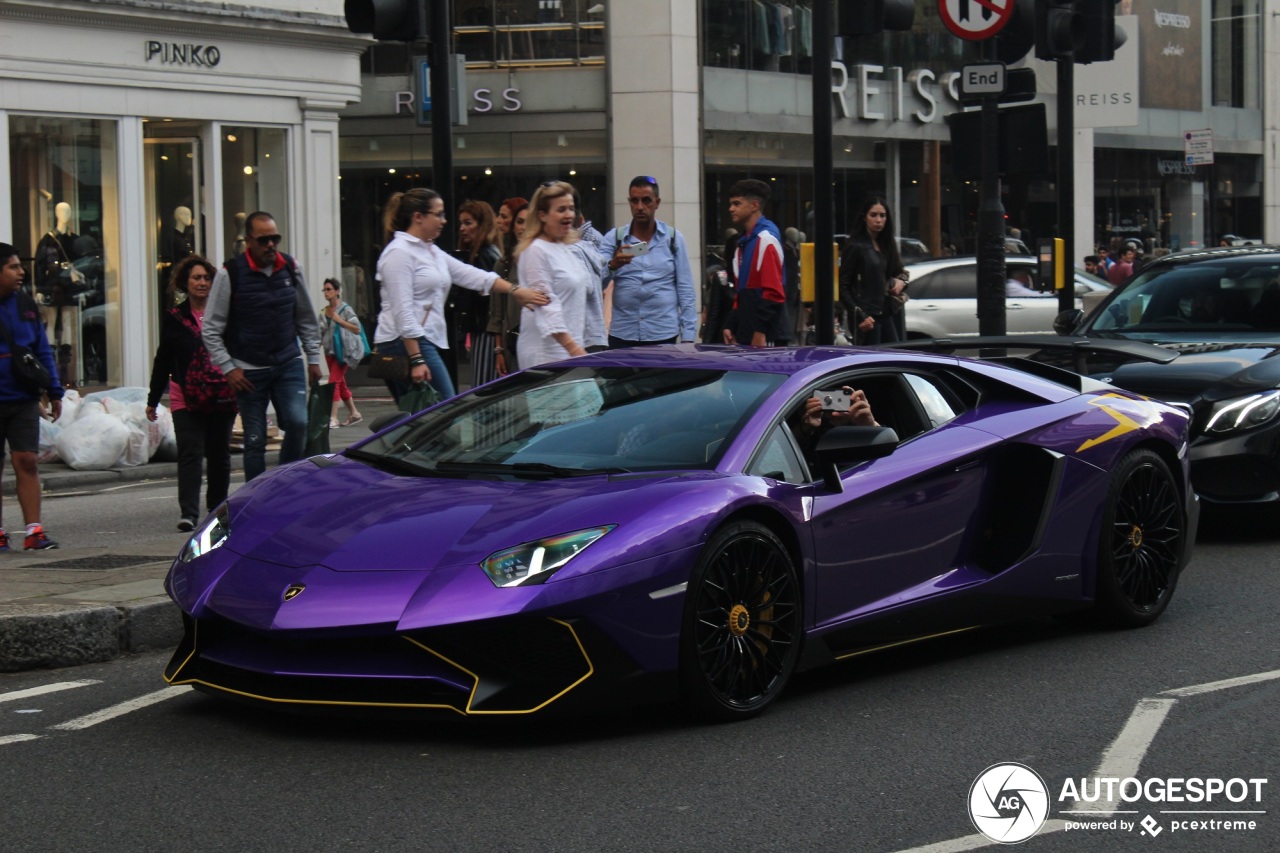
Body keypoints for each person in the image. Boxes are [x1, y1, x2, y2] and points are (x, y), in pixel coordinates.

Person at [373, 188, 546, 403]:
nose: (444, 221)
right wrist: (416, 358)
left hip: (419, 340)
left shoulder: (429, 251)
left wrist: (515, 290)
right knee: (441, 410)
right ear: (418, 217)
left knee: (421, 413)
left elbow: (471, 275)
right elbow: (402, 310)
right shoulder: (399, 253)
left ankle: (398, 436)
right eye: (438, 214)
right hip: (405, 342)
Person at [203, 211, 322, 483]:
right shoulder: (229, 274)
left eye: (275, 239)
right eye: (264, 240)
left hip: (288, 361)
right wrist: (229, 368)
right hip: (248, 371)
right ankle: (256, 499)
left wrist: (313, 358)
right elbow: (211, 327)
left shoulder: (291, 267)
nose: (271, 245)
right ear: (249, 242)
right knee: (255, 440)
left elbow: (305, 316)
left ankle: (286, 486)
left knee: (299, 422)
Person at [146, 255, 238, 532]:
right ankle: (188, 513)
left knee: (219, 454)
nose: (202, 283)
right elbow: (163, 358)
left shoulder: (225, 314)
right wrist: (152, 399)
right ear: (185, 283)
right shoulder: (174, 318)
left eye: (207, 278)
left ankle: (216, 510)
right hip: (184, 395)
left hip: (221, 394)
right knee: (190, 453)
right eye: (196, 278)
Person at [0, 243, 62, 550]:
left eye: (19, 266)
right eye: (12, 267)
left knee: (27, 460)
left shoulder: (25, 304)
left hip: (23, 397)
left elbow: (41, 349)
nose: (21, 271)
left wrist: (54, 390)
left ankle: (33, 531)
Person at [599, 176, 697, 347]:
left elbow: (685, 288)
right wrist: (613, 265)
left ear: (657, 203)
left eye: (646, 201)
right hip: (623, 333)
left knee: (659, 375)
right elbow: (595, 282)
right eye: (634, 201)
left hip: (662, 332)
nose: (640, 207)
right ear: (629, 202)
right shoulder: (614, 238)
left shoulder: (673, 239)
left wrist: (688, 335)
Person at [514, 181, 595, 368]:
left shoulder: (564, 247)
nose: (569, 215)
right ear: (542, 215)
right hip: (547, 354)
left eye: (571, 209)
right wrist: (574, 349)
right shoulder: (535, 251)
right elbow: (545, 306)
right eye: (561, 210)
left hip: (572, 349)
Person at [724, 179, 786, 347]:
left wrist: (760, 332)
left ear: (754, 205)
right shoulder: (743, 244)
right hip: (750, 332)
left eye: (737, 204)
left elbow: (774, 293)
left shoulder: (766, 240)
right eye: (731, 204)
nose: (731, 209)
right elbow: (741, 293)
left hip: (765, 335)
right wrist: (731, 324)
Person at [839, 196, 907, 346]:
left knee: (895, 356)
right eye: (873, 215)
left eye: (882, 216)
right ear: (864, 218)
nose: (878, 220)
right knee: (872, 360)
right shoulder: (856, 246)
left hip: (886, 311)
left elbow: (899, 272)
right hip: (867, 314)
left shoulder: (886, 244)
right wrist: (859, 315)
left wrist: (901, 281)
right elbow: (843, 286)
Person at [454, 200, 505, 387]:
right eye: (462, 223)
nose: (462, 228)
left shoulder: (483, 255)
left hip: (485, 331)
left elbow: (490, 303)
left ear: (482, 225)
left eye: (468, 223)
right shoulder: (489, 252)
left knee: (484, 386)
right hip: (484, 329)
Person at [319, 277, 363, 428]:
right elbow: (320, 332)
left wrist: (340, 320)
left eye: (329, 289)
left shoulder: (345, 309)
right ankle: (355, 413)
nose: (326, 292)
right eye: (324, 290)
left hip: (343, 352)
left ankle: (333, 418)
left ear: (337, 291)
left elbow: (357, 329)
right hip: (329, 352)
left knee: (333, 382)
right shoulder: (324, 311)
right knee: (340, 383)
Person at [492, 198, 529, 376]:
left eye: (528, 223)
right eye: (519, 221)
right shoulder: (504, 264)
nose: (522, 227)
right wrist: (498, 351)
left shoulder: (547, 260)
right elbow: (497, 314)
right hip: (512, 344)